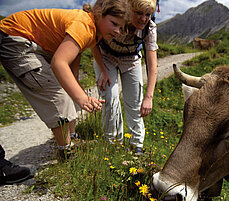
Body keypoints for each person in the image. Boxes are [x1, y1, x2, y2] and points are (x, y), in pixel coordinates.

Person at [0, 0, 129, 159]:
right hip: (15, 38)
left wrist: (77, 89)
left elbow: (72, 62)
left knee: (70, 89)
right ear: (99, 14)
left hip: (33, 43)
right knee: (57, 94)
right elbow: (59, 63)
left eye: (121, 28)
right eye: (114, 23)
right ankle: (66, 152)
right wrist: (82, 98)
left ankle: (72, 139)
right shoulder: (84, 26)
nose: (117, 31)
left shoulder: (94, 34)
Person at [94, 0, 158, 155]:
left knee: (135, 102)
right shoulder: (117, 19)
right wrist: (102, 70)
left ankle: (137, 144)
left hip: (131, 60)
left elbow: (152, 66)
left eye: (148, 14)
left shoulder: (149, 29)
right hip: (106, 57)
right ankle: (114, 143)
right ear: (130, 10)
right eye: (139, 13)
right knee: (110, 98)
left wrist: (149, 97)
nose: (143, 19)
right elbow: (93, 42)